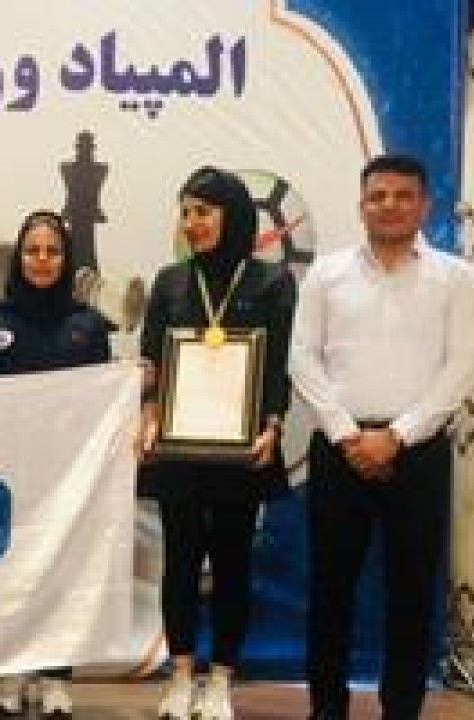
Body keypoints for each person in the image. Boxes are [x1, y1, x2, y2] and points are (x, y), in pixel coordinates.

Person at [289, 153, 474, 720]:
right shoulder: (326, 274)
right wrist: (349, 434)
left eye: (403, 196)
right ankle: (327, 707)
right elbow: (302, 359)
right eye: (378, 196)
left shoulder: (456, 278)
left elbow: (462, 367)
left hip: (418, 452)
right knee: (330, 588)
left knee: (412, 591)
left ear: (425, 205)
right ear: (362, 205)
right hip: (339, 449)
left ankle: (402, 708)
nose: (390, 205)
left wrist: (397, 435)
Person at [136, 167, 295, 720]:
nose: (192, 223)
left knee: (232, 563)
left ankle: (222, 680)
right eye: (185, 212)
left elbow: (279, 366)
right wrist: (147, 413)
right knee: (180, 561)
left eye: (203, 212)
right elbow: (152, 361)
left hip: (241, 451)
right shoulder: (169, 282)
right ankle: (181, 676)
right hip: (179, 450)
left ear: (233, 215)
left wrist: (273, 425)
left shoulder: (272, 282)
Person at [0, 210, 113, 720]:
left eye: (52, 251)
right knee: (6, 574)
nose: (41, 260)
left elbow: (104, 400)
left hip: (67, 478)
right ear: (18, 258)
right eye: (32, 251)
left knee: (61, 573)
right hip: (5, 474)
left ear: (67, 260)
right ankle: (8, 673)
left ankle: (56, 675)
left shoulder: (88, 326)